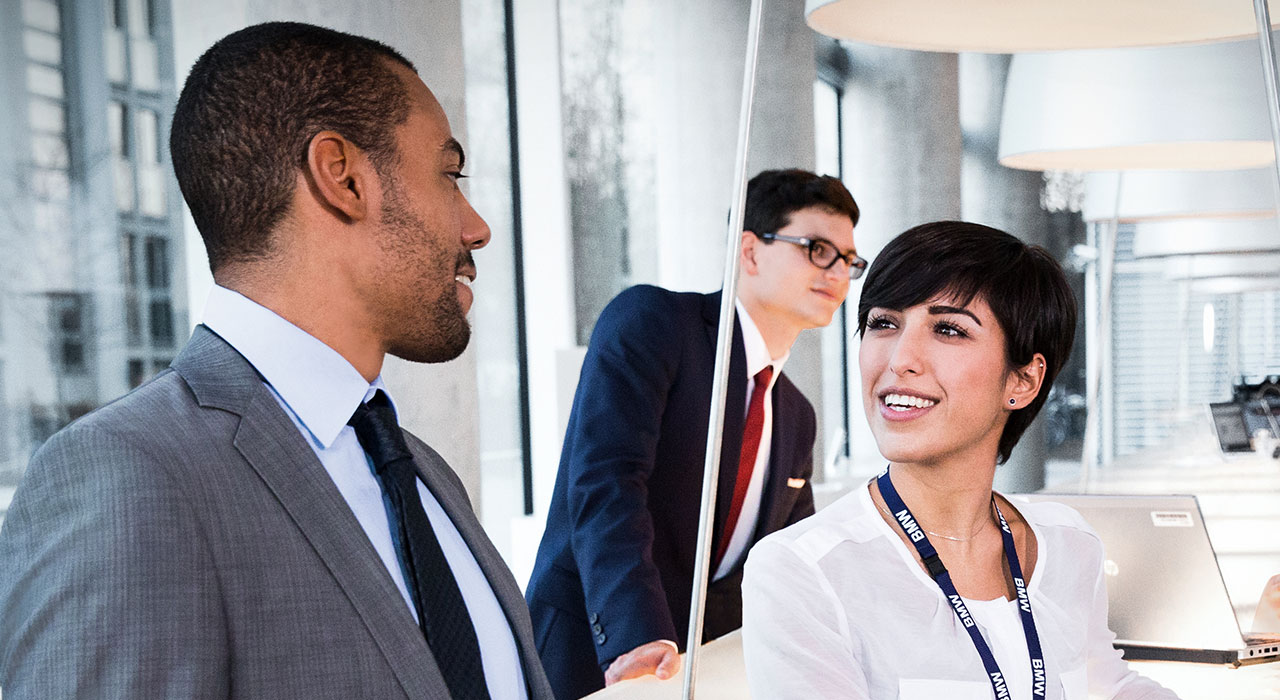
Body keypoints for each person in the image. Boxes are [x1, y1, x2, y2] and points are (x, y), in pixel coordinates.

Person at [0, 22, 553, 700]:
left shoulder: (423, 473)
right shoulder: (129, 476)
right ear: (341, 177)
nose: (477, 226)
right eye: (448, 174)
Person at [742, 221, 1179, 700]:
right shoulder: (803, 570)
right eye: (883, 323)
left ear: (1023, 381)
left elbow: (1107, 685)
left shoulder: (1067, 542)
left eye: (948, 329)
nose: (900, 359)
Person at [526, 169, 862, 698]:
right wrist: (638, 635)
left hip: (703, 670)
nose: (837, 271)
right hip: (595, 656)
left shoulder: (796, 414)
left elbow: (788, 555)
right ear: (749, 251)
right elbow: (607, 484)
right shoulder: (654, 323)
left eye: (848, 260)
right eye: (817, 248)